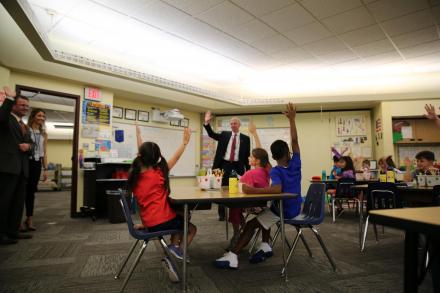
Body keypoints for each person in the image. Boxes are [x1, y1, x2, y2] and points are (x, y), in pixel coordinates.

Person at [214, 103, 302, 269]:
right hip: (296, 208)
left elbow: (276, 189)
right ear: (288, 152)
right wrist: (292, 120)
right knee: (264, 213)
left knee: (251, 224)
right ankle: (265, 246)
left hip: (283, 211)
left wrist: (252, 190)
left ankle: (233, 256)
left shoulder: (275, 171)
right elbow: (295, 140)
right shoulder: (296, 163)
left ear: (274, 157)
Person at [127, 127, 197, 282]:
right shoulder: (159, 173)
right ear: (157, 157)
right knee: (191, 228)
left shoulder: (135, 175)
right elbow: (175, 158)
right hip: (162, 222)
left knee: (180, 216)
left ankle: (173, 248)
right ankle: (175, 252)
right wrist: (184, 143)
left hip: (149, 223)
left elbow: (143, 154)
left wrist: (139, 137)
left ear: (140, 156)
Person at [227, 121, 270, 249]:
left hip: (251, 205)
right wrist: (254, 133)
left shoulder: (250, 173)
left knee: (233, 207)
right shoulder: (267, 170)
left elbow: (239, 189)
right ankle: (242, 232)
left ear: (257, 161)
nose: (248, 158)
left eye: (251, 157)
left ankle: (237, 233)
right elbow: (262, 154)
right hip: (264, 204)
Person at [0, 86, 33, 245]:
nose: (25, 108)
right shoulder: (7, 120)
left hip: (22, 169)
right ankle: (1, 234)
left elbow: (31, 143)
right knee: (4, 202)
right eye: (22, 105)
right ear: (13, 105)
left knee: (17, 202)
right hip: (7, 168)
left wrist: (29, 146)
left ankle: (13, 231)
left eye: (27, 106)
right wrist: (9, 98)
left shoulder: (24, 124)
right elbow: (1, 117)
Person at [203, 111, 250, 221]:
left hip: (237, 165)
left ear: (239, 125)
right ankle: (222, 214)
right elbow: (212, 134)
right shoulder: (224, 135)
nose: (233, 125)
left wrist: (248, 171)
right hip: (223, 164)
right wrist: (206, 123)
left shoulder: (246, 139)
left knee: (237, 189)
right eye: (231, 123)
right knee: (222, 189)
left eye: (235, 123)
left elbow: (247, 155)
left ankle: (238, 212)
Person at [21, 108, 48, 232]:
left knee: (31, 192)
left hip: (37, 163)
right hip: (26, 162)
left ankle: (29, 218)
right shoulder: (25, 129)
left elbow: (44, 152)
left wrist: (45, 169)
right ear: (33, 116)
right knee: (20, 191)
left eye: (43, 116)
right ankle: (16, 219)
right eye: (39, 115)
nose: (41, 118)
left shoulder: (44, 134)